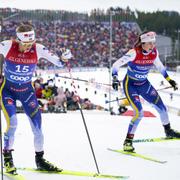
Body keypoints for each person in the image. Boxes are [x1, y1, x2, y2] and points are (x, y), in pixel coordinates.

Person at [0, 24, 72, 174]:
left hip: (27, 92)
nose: (28, 46)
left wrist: (65, 58)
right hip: (8, 91)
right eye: (25, 43)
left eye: (30, 43)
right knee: (13, 124)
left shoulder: (38, 48)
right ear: (18, 40)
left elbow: (59, 62)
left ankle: (40, 160)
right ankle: (7, 158)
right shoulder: (7, 46)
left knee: (38, 129)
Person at [111, 31, 180, 152]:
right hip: (130, 85)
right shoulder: (133, 53)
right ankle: (128, 142)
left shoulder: (154, 53)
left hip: (144, 84)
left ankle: (168, 131)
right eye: (149, 43)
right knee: (139, 113)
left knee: (162, 108)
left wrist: (170, 80)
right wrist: (115, 78)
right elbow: (116, 65)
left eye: (153, 43)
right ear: (143, 42)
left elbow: (160, 67)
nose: (152, 46)